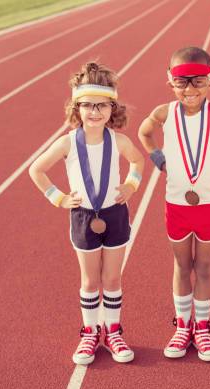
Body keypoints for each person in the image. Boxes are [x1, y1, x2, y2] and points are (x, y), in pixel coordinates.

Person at [138, 46, 210, 361]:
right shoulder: (164, 113)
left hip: (209, 203)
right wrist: (158, 157)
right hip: (176, 203)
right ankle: (182, 326)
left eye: (198, 81)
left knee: (202, 267)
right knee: (181, 265)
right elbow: (144, 133)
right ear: (169, 81)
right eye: (181, 82)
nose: (189, 89)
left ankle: (202, 328)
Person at [29, 62, 144, 365]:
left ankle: (114, 331)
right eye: (88, 106)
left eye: (102, 106)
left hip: (115, 215)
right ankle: (90, 332)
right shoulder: (67, 143)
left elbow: (137, 162)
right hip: (83, 218)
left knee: (113, 277)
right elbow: (36, 170)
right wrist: (57, 197)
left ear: (112, 108)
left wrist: (131, 185)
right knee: (90, 281)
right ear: (76, 108)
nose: (95, 112)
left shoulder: (119, 141)